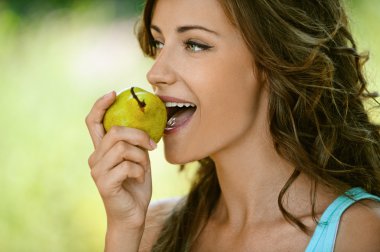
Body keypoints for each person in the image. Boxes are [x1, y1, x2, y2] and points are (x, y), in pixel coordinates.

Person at [85, 0, 380, 251]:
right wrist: (124, 232)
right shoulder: (149, 230)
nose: (156, 72)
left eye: (194, 45)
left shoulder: (360, 233)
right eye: (159, 43)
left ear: (272, 59)